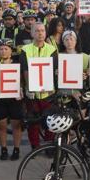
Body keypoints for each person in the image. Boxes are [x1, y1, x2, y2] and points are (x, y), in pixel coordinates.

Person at [20, 22, 57, 151]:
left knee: (50, 121)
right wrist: (28, 87)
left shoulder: (52, 49)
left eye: (42, 30)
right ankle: (35, 146)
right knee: (33, 122)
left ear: (45, 33)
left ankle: (49, 145)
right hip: (33, 93)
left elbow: (54, 69)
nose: (40, 33)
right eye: (37, 31)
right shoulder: (26, 49)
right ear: (32, 33)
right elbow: (25, 70)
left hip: (48, 93)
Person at [0, 39, 23, 161]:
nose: (3, 51)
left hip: (14, 98)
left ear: (11, 51)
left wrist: (21, 90)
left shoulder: (17, 63)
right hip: (0, 98)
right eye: (1, 49)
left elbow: (21, 79)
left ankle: (16, 148)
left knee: (16, 125)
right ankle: (3, 149)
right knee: (1, 125)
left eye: (6, 49)